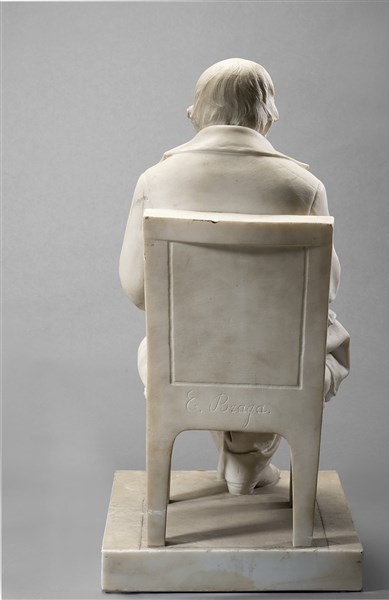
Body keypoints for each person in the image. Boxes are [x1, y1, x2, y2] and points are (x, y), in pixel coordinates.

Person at [119, 58, 350, 496]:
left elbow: (136, 288)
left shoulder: (156, 180)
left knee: (190, 340)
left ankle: (240, 460)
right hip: (281, 368)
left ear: (197, 110)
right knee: (300, 340)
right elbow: (325, 290)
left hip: (185, 362)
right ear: (267, 112)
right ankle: (247, 459)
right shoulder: (304, 186)